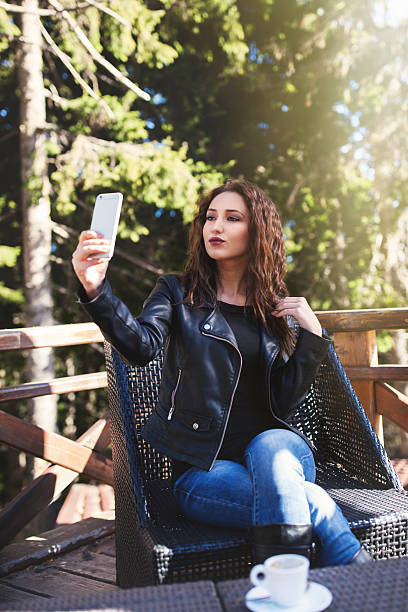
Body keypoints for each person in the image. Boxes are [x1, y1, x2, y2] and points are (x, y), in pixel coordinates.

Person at [72, 178, 371, 566]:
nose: (216, 227)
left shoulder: (273, 311)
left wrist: (312, 335)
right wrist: (96, 289)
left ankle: (285, 591)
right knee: (301, 496)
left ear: (258, 231)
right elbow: (140, 347)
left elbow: (282, 402)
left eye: (232, 218)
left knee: (271, 448)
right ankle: (352, 569)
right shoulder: (176, 293)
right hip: (203, 472)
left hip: (281, 457)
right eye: (211, 217)